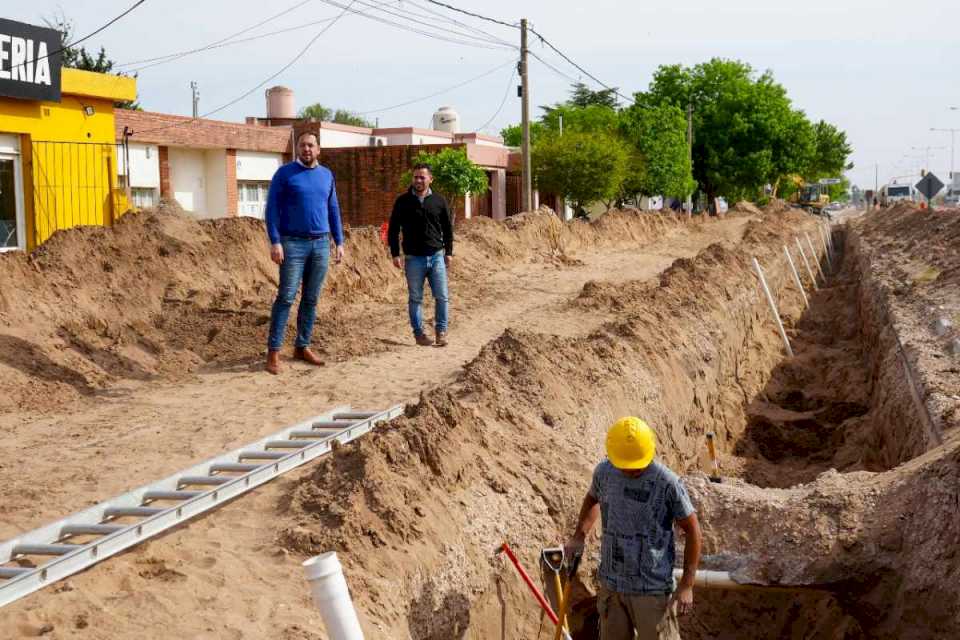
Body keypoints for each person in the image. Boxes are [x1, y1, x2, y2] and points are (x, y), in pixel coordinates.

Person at [566, 417, 702, 640]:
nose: (631, 471)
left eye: (637, 466)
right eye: (626, 467)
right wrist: (579, 536)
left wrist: (687, 584)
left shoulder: (667, 482)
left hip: (652, 592)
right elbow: (592, 498)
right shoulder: (604, 473)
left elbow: (693, 531)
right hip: (612, 587)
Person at [263, 131, 344, 375]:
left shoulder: (326, 175)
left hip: (321, 244)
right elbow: (272, 210)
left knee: (311, 298)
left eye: (311, 145)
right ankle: (273, 352)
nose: (306, 149)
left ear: (318, 149)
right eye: (302, 145)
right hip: (292, 244)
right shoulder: (284, 174)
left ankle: (302, 346)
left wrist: (339, 241)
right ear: (297, 148)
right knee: (286, 297)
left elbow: (333, 210)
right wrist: (275, 241)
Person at [387, 163, 452, 347]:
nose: (418, 180)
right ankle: (419, 334)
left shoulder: (439, 201)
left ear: (430, 179)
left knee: (442, 296)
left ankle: (441, 332)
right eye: (415, 177)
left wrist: (449, 252)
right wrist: (394, 253)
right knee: (415, 298)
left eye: (422, 177)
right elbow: (393, 229)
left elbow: (448, 229)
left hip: (437, 256)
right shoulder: (403, 201)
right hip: (413, 258)